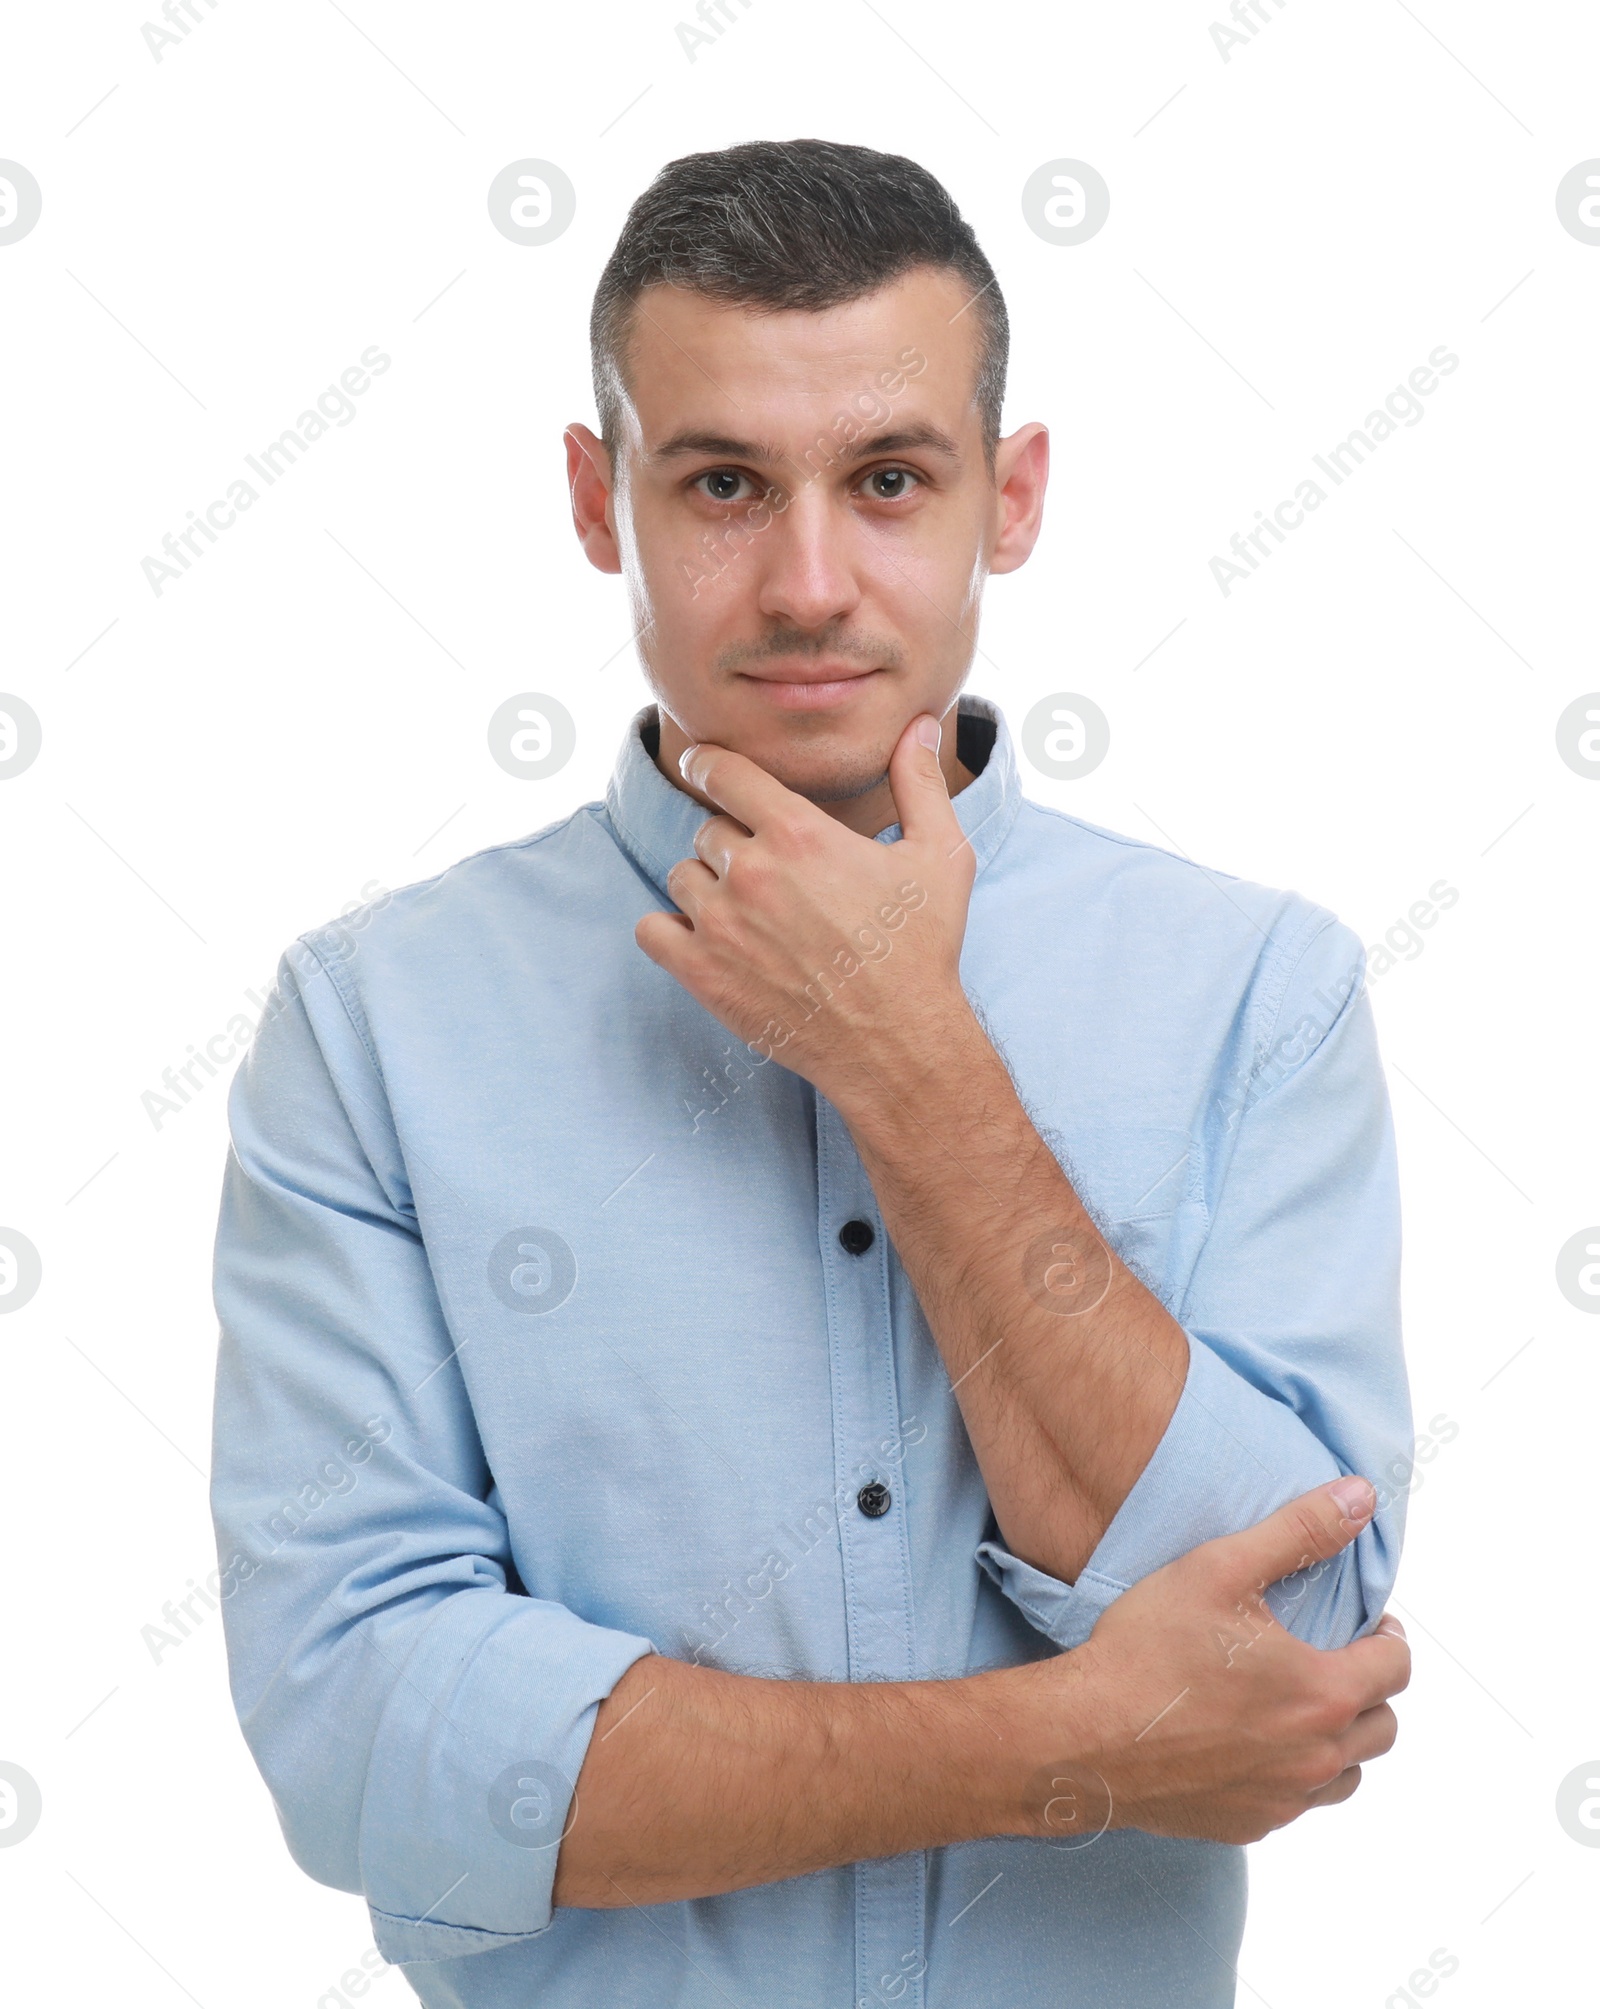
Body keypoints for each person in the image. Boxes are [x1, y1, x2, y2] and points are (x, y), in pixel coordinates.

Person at [211, 138, 1412, 2008]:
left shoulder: (1261, 993)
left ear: (1009, 499)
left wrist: (911, 1059)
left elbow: (1297, 1664)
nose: (806, 580)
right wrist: (1056, 1744)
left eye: (890, 480)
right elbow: (366, 1736)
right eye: (720, 484)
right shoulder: (375, 1025)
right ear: (600, 500)